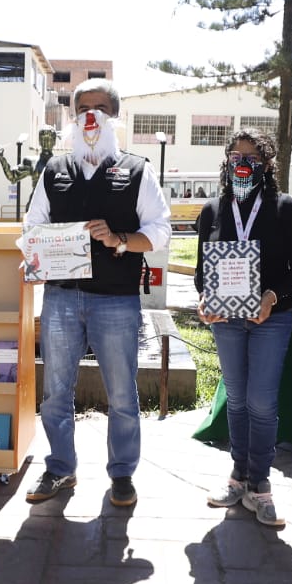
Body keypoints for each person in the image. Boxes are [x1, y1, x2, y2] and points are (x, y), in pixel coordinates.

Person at [23, 78, 171, 507]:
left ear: (114, 116)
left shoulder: (137, 169)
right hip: (62, 297)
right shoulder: (54, 170)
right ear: (71, 118)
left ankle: (122, 474)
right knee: (55, 390)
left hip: (116, 298)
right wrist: (33, 255)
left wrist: (121, 239)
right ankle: (60, 469)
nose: (91, 116)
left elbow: (160, 231)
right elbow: (33, 227)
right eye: (82, 108)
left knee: (122, 392)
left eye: (101, 108)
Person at [194, 128, 292, 527]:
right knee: (239, 401)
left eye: (252, 157)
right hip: (226, 320)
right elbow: (200, 274)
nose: (242, 164)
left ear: (266, 166)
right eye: (235, 156)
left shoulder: (284, 208)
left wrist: (271, 296)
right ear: (226, 162)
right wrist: (206, 300)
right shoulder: (212, 210)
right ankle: (238, 475)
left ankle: (260, 483)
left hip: (271, 319)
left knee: (262, 402)